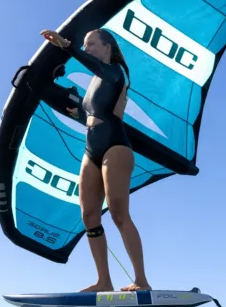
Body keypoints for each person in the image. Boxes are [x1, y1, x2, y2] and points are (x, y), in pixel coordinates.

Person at [40, 27, 152, 293]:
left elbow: (100, 80)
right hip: (91, 149)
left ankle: (142, 281)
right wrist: (72, 107)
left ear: (107, 48)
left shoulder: (115, 71)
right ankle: (104, 280)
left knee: (118, 214)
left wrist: (67, 45)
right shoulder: (94, 82)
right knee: (89, 215)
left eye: (91, 44)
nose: (87, 48)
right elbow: (91, 112)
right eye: (85, 44)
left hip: (115, 146)